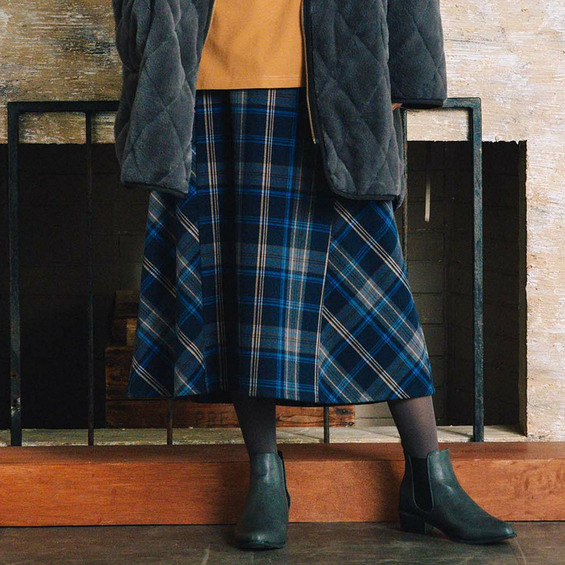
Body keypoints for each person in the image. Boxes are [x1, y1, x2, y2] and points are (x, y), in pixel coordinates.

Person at [114, 0, 517, 551]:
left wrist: (409, 72)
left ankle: (429, 477)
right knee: (237, 291)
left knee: (377, 291)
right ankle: (266, 477)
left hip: (331, 75)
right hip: (198, 79)